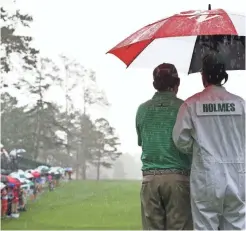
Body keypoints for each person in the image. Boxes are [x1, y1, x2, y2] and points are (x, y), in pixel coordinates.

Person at [172, 53, 245, 230]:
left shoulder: (191, 104)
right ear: (224, 74)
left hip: (205, 176)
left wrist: (198, 150)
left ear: (203, 75)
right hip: (239, 175)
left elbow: (180, 140)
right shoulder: (241, 104)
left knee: (205, 226)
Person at [136, 63, 193, 230]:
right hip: (178, 179)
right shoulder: (184, 108)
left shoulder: (142, 110)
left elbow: (142, 141)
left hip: (150, 180)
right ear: (177, 84)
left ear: (155, 84)